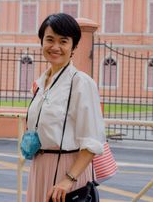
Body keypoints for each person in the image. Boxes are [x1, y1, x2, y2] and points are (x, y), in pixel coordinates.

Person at [25, 13, 106, 202]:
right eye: (49, 39)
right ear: (41, 42)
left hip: (67, 172)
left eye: (63, 41)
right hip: (40, 167)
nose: (55, 47)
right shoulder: (41, 83)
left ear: (73, 47)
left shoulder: (81, 83)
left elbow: (93, 141)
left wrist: (68, 180)